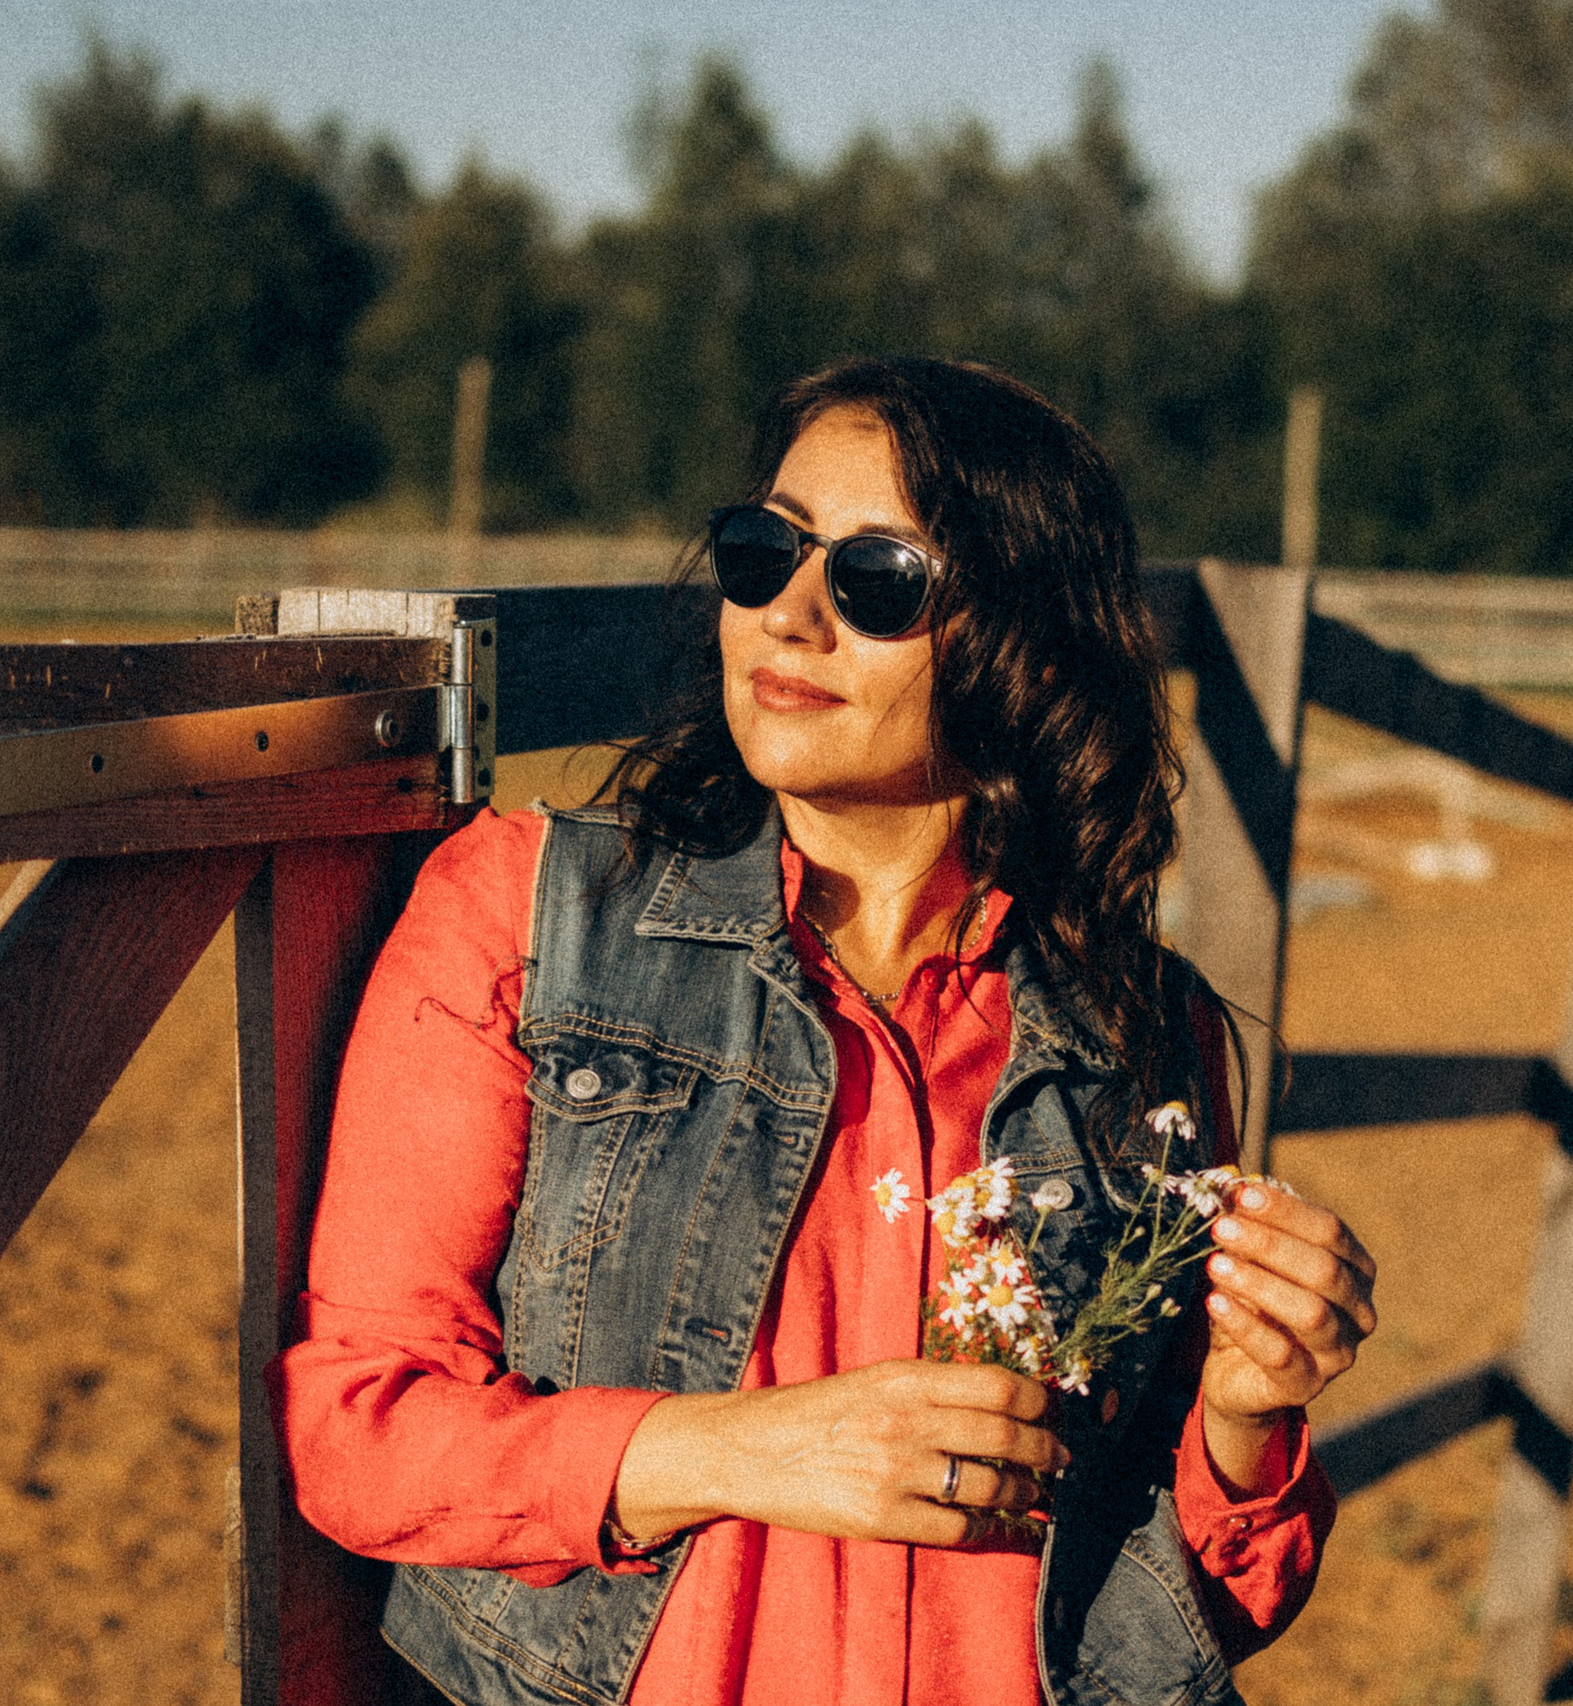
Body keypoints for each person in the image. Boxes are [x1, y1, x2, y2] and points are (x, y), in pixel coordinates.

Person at [274, 356, 1375, 1706]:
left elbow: (1181, 1608)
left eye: (877, 579)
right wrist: (740, 1450)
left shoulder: (1151, 1035)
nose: (789, 616)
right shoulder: (524, 913)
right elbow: (359, 1429)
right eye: (764, 550)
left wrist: (1250, 1414)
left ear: (1019, 642)